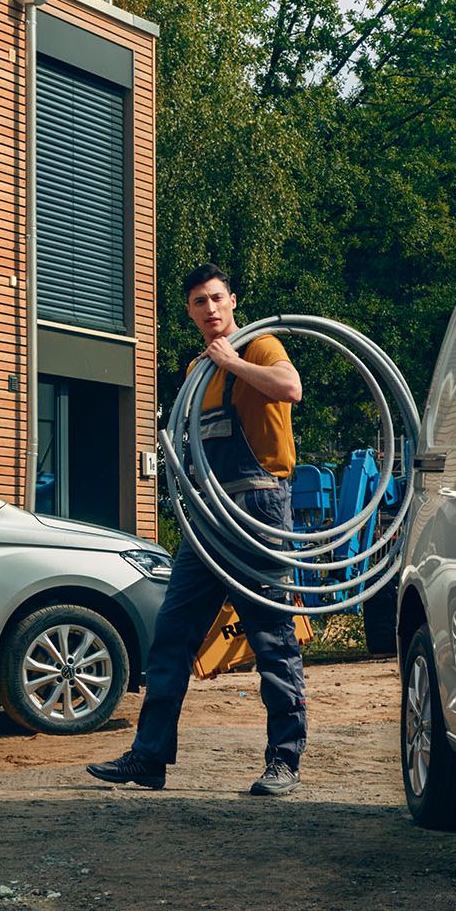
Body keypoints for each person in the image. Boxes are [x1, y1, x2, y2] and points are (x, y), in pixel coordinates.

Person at [90, 264, 307, 799]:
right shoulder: (193, 370)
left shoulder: (258, 347)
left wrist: (232, 360)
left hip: (258, 508)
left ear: (232, 300)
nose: (209, 310)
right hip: (207, 515)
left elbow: (290, 387)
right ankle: (150, 757)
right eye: (197, 303)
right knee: (172, 636)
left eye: (216, 299)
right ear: (189, 311)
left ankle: (284, 760)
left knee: (272, 637)